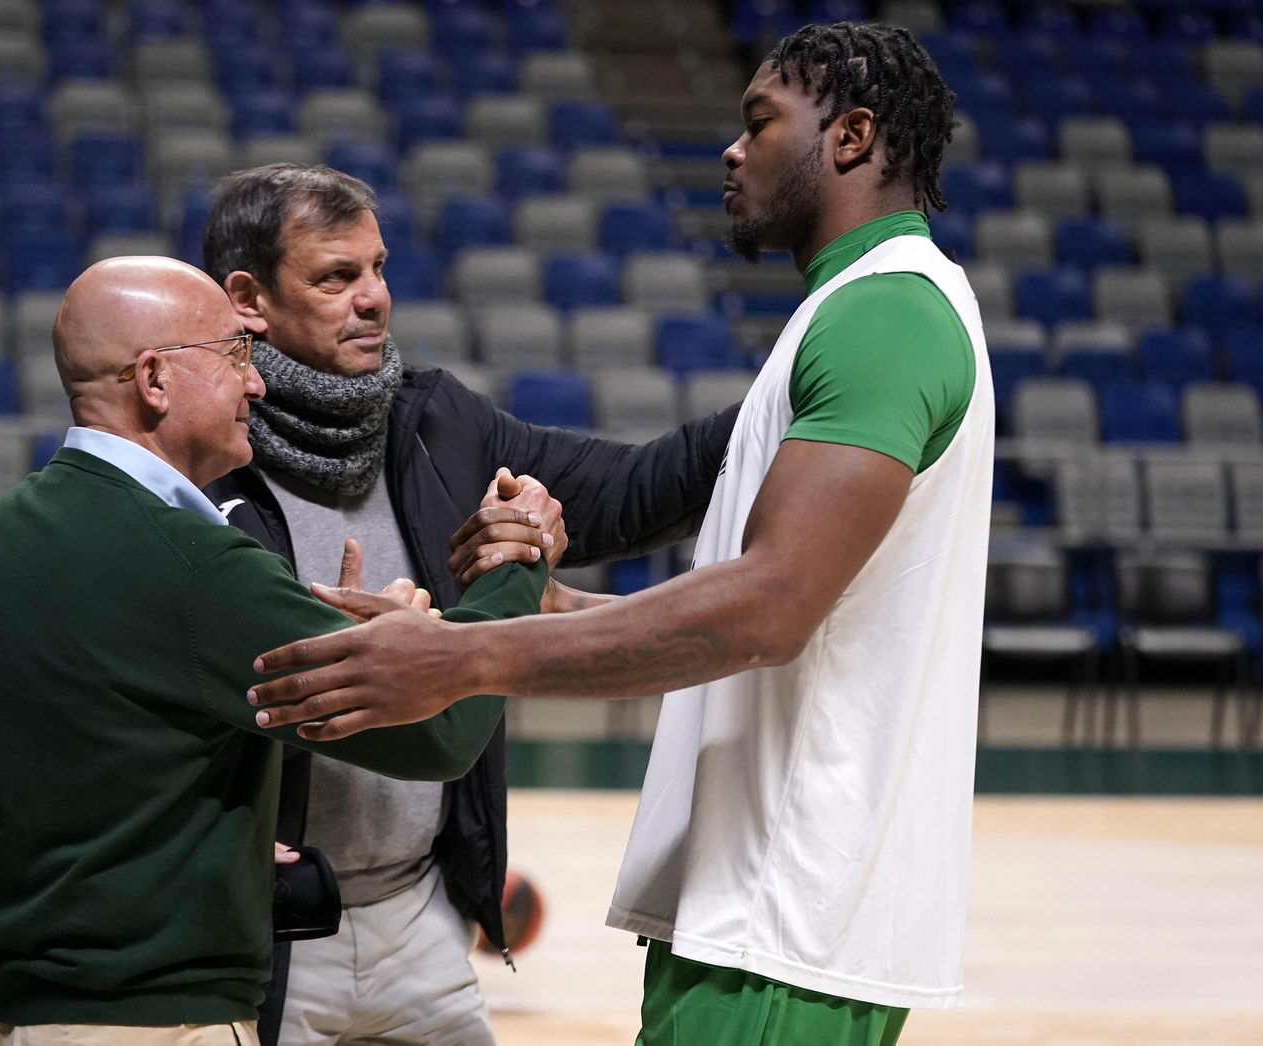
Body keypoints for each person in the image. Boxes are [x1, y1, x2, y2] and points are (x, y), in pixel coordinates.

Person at [248, 23, 991, 1046]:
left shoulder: (883, 315)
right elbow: (764, 610)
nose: (732, 151)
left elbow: (766, 609)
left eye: (758, 123)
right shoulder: (853, 314)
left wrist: (457, 655)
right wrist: (551, 604)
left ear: (853, 136)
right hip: (757, 902)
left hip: (784, 908)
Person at [0, 256, 559, 1046]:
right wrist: (514, 565)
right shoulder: (195, 568)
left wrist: (220, 831)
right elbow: (440, 734)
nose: (256, 386)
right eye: (235, 357)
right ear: (154, 379)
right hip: (152, 1019)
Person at [197, 164, 741, 1046]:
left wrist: (794, 391)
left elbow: (637, 488)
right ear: (249, 298)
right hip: (264, 934)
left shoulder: (437, 422)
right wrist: (519, 564)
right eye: (336, 277)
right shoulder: (200, 458)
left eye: (377, 269)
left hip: (421, 922)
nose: (373, 298)